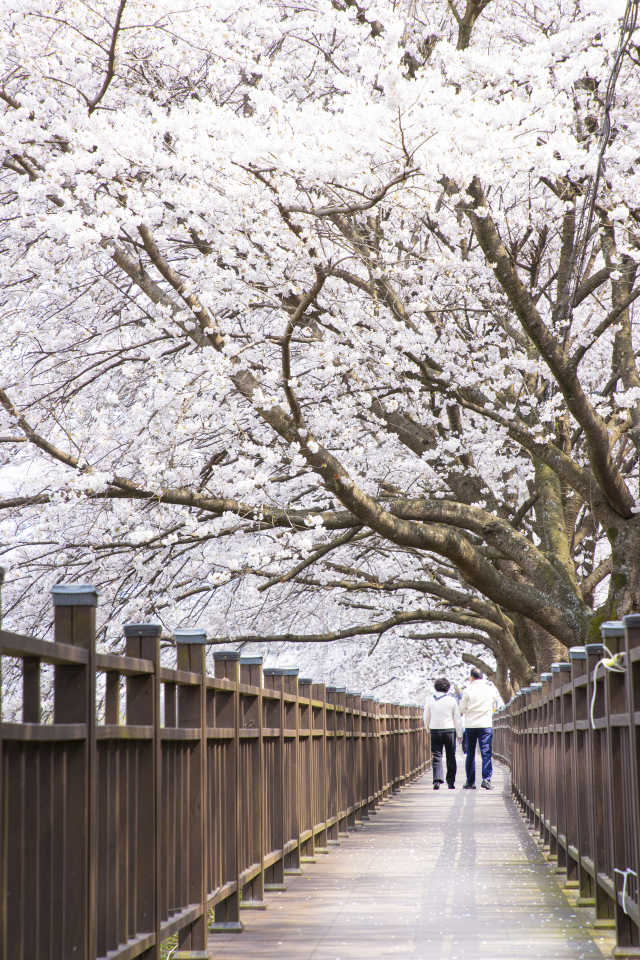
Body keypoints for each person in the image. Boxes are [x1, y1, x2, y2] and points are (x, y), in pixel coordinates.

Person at [460, 666, 498, 790]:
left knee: (470, 753)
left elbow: (462, 709)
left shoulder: (467, 690)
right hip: (485, 724)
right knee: (486, 752)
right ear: (482, 677)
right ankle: (486, 780)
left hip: (471, 725)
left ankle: (470, 781)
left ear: (472, 677)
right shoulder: (490, 689)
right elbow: (495, 704)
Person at [423, 677, 463, 790]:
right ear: (447, 688)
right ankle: (450, 782)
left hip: (435, 729)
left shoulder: (429, 699)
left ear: (435, 687)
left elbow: (426, 716)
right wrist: (459, 733)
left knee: (437, 755)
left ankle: (437, 780)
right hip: (449, 730)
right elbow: (457, 718)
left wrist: (428, 729)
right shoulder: (451, 700)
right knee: (451, 755)